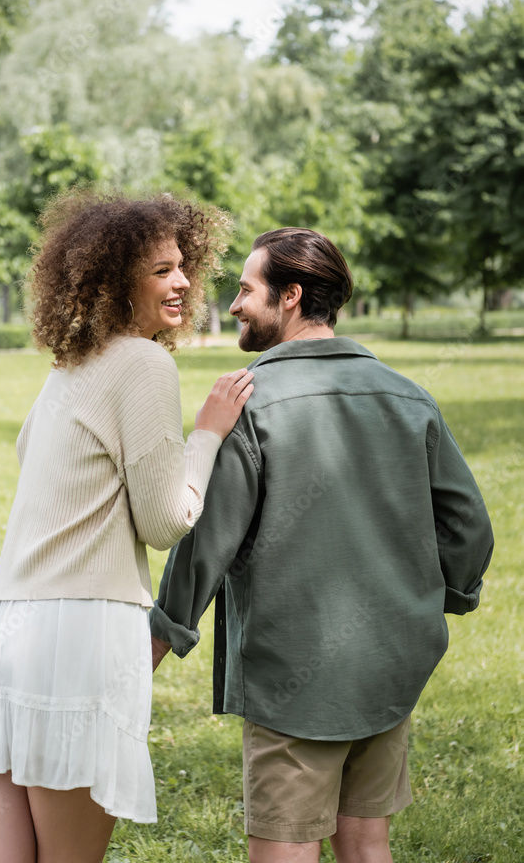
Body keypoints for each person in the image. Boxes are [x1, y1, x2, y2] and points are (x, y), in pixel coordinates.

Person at [150, 227, 494, 863]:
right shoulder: (407, 396)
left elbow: (207, 542)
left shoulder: (248, 403)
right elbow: (469, 526)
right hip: (388, 664)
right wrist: (446, 596)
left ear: (291, 296)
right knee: (367, 847)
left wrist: (157, 640)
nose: (233, 305)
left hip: (293, 680)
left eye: (246, 290)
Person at [0, 189, 254, 863]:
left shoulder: (69, 365)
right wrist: (206, 436)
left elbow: (34, 456)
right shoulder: (144, 363)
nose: (180, 282)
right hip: (81, 636)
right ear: (115, 281)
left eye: (182, 266)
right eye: (158, 271)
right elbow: (165, 520)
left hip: (5, 627)